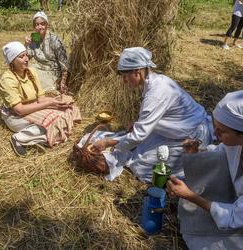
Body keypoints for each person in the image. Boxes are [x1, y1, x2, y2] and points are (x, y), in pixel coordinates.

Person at [91, 47, 214, 182]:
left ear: (137, 72)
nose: (124, 81)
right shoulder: (156, 81)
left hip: (192, 136)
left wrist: (107, 142)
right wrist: (138, 124)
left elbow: (139, 135)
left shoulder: (155, 93)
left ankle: (199, 157)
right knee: (137, 149)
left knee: (140, 165)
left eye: (125, 76)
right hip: (176, 130)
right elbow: (156, 118)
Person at [167, 90, 243, 250]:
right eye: (215, 128)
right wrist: (196, 153)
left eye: (222, 131)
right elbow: (219, 152)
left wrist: (190, 195)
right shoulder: (238, 144)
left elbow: (234, 217)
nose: (216, 135)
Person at [0, 41, 81, 156]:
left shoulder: (31, 71)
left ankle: (37, 140)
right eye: (21, 56)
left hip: (33, 107)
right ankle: (19, 138)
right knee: (54, 120)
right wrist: (49, 105)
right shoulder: (8, 80)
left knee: (68, 109)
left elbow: (41, 99)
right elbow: (19, 110)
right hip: (15, 116)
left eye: (26, 55)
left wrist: (57, 103)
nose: (26, 59)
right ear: (12, 61)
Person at [25, 11, 69, 93]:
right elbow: (29, 56)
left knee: (39, 89)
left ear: (47, 25)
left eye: (42, 24)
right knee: (24, 77)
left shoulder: (54, 40)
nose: (40, 27)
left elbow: (64, 65)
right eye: (37, 25)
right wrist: (27, 45)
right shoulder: (35, 36)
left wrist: (63, 82)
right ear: (34, 26)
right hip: (38, 68)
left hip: (52, 72)